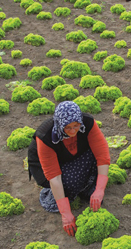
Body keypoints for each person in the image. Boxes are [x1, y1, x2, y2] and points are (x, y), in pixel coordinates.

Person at [27, 101, 110, 237]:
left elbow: (102, 156)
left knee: (95, 160)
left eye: (76, 126)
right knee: (70, 181)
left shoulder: (87, 123)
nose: (73, 131)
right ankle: (57, 195)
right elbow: (54, 176)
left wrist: (100, 190)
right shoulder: (46, 136)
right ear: (59, 124)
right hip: (46, 168)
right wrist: (66, 214)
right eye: (68, 128)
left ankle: (86, 189)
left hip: (72, 157)